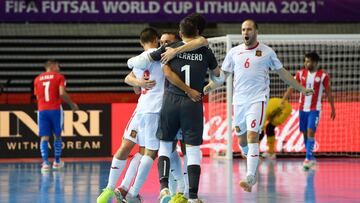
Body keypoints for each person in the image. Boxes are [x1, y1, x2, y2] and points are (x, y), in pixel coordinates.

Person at [97, 28, 208, 203]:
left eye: (168, 42)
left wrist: (138, 82)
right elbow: (201, 41)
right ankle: (144, 191)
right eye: (162, 42)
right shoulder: (165, 55)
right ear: (157, 40)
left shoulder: (143, 58)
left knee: (144, 150)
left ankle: (117, 188)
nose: (165, 45)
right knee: (157, 152)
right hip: (162, 109)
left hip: (143, 109)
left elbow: (129, 75)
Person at [205, 19, 314, 192]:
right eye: (243, 30)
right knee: (241, 140)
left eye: (248, 29)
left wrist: (301, 88)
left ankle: (250, 177)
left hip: (258, 100)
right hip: (238, 102)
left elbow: (282, 73)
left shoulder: (267, 52)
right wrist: (209, 87)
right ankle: (252, 159)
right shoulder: (234, 52)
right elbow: (223, 75)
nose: (245, 33)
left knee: (252, 136)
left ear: (256, 31)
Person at [150, 16, 224, 203]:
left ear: (180, 33)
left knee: (166, 145)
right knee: (192, 150)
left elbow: (152, 60)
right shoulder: (205, 50)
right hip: (193, 103)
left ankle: (164, 188)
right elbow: (218, 75)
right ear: (198, 32)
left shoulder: (170, 48)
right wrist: (207, 85)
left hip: (171, 100)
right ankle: (192, 196)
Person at [282, 51, 336, 170]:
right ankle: (311, 157)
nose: (306, 63)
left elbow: (329, 92)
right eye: (305, 61)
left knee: (311, 132)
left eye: (309, 61)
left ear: (316, 63)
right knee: (305, 134)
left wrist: (333, 108)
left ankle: (307, 159)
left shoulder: (323, 76)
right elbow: (292, 86)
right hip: (302, 109)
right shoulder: (300, 74)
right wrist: (284, 100)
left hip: (315, 109)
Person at [34, 60, 78, 172]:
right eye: (58, 65)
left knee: (44, 137)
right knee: (57, 135)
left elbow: (37, 96)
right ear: (52, 66)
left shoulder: (37, 79)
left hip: (42, 110)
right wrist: (72, 104)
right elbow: (62, 93)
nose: (59, 67)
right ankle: (57, 162)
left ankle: (45, 164)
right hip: (55, 109)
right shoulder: (59, 77)